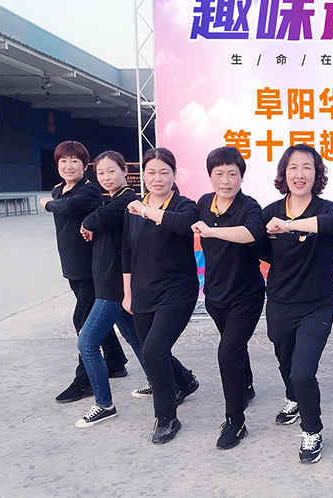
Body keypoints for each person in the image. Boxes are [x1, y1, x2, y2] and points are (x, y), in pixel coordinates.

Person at [259, 144, 333, 464]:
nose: (300, 174)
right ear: (284, 173)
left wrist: (290, 225)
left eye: (307, 167)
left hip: (317, 305)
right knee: (286, 363)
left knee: (303, 372)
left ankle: (312, 430)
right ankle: (293, 400)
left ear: (317, 173)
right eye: (293, 167)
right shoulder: (268, 212)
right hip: (280, 302)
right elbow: (261, 250)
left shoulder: (328, 209)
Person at [39, 140, 127, 404]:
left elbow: (66, 207)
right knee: (95, 319)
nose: (69, 166)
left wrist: (47, 204)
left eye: (75, 161)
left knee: (83, 322)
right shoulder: (58, 190)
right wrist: (52, 199)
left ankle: (85, 381)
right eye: (63, 161)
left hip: (93, 270)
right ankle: (115, 362)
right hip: (72, 267)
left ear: (85, 165)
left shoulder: (89, 191)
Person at [122, 147, 200, 444]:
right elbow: (125, 251)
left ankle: (166, 418)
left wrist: (146, 211)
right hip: (143, 291)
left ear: (174, 175)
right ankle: (185, 381)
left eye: (164, 172)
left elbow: (182, 225)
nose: (157, 178)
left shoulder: (184, 206)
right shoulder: (132, 209)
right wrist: (127, 292)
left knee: (154, 350)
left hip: (177, 291)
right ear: (142, 175)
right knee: (150, 350)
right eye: (151, 172)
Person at [191, 147, 265, 450]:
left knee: (227, 352)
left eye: (232, 174)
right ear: (210, 176)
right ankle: (245, 385)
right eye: (219, 173)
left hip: (246, 296)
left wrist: (212, 231)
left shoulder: (249, 206)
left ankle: (236, 422)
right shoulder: (203, 203)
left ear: (241, 177)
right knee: (233, 347)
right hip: (215, 295)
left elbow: (253, 233)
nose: (225, 180)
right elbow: (182, 223)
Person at [75, 151, 147, 427]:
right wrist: (91, 224)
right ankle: (176, 382)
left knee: (87, 343)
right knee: (136, 339)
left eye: (111, 171)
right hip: (109, 283)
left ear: (124, 171)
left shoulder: (127, 200)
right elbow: (99, 220)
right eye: (101, 173)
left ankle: (104, 404)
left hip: (114, 287)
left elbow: (95, 218)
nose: (106, 177)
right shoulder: (114, 201)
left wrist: (88, 223)